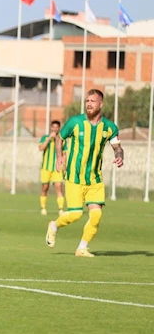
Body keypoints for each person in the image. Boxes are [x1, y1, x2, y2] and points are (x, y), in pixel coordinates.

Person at [46, 89, 123, 257]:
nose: (89, 103)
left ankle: (82, 248)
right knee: (75, 214)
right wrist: (59, 156)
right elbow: (60, 138)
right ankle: (54, 226)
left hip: (95, 179)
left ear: (101, 104)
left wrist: (119, 157)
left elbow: (117, 147)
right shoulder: (75, 122)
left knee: (96, 216)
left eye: (92, 101)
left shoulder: (110, 128)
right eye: (87, 100)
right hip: (74, 177)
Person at [38, 120, 65, 216]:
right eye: (53, 127)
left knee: (58, 187)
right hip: (46, 168)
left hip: (57, 168)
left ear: (59, 128)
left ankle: (61, 209)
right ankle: (43, 208)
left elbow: (64, 153)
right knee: (45, 187)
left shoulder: (62, 139)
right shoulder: (45, 137)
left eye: (57, 127)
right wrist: (49, 138)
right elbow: (41, 148)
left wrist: (64, 166)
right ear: (51, 128)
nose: (55, 129)